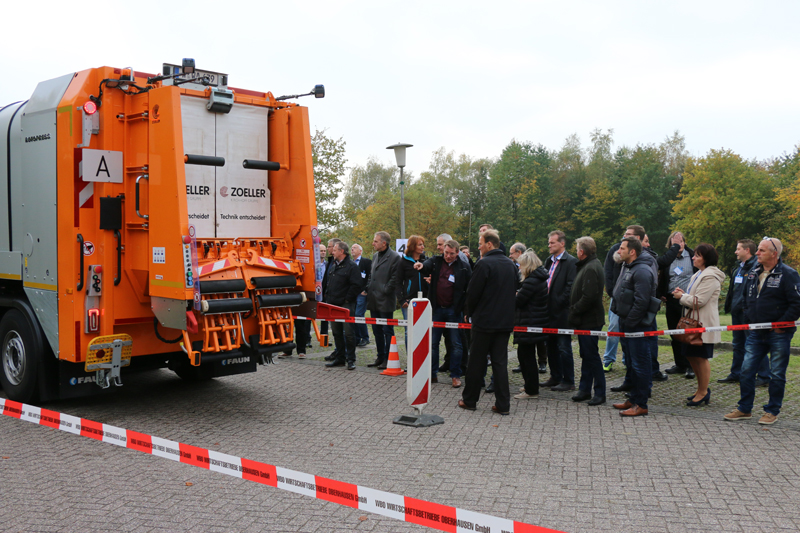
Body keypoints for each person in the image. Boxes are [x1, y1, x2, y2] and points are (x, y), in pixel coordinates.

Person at [724, 237, 800, 425]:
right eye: (757, 250)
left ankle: (772, 411)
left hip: (779, 333)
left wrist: (780, 325)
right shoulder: (752, 273)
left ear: (774, 254)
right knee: (746, 370)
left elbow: (797, 304)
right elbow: (746, 299)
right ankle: (744, 408)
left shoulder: (788, 274)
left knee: (776, 374)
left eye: (761, 250)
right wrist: (750, 319)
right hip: (756, 332)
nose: (756, 253)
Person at [458, 230, 517, 414]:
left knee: (476, 362)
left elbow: (473, 292)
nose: (478, 246)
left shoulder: (484, 264)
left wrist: (469, 312)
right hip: (505, 322)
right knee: (500, 363)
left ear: (489, 244)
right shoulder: (511, 265)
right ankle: (503, 404)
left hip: (484, 322)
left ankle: (470, 400)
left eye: (480, 243)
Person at [672, 243, 725, 406]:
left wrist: (681, 297)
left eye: (697, 255)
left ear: (706, 259)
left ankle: (703, 392)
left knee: (701, 358)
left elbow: (699, 301)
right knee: (691, 355)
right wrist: (684, 294)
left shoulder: (710, 276)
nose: (693, 257)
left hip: (702, 325)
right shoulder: (699, 274)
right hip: (694, 324)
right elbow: (695, 296)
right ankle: (700, 389)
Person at [416, 239, 471, 387]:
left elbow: (469, 290)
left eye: (451, 254)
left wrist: (466, 310)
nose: (448, 256)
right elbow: (426, 265)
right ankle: (432, 374)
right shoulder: (436, 261)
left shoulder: (464, 267)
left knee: (456, 344)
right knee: (433, 343)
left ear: (457, 253)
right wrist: (421, 266)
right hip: (437, 309)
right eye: (446, 253)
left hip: (454, 310)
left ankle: (455, 375)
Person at [611, 237, 655, 417]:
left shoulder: (642, 271)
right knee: (631, 363)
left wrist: (630, 322)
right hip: (626, 323)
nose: (618, 251)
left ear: (632, 252)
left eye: (622, 248)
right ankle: (633, 398)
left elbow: (642, 302)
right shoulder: (628, 267)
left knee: (640, 364)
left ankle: (641, 404)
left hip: (636, 327)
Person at [719, 239, 771, 386]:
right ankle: (736, 373)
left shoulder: (757, 268)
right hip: (736, 312)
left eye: (738, 249)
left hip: (749, 313)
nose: (735, 252)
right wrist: (729, 306)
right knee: (738, 344)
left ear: (747, 250)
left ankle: (763, 377)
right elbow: (733, 290)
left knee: (755, 344)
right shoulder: (738, 268)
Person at [568, 237, 606, 405]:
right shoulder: (588, 266)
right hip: (586, 319)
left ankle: (599, 392)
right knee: (586, 355)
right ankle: (584, 389)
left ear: (582, 252)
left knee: (591, 356)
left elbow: (589, 296)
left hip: (589, 320)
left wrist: (574, 310)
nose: (576, 252)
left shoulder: (591, 268)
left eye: (577, 249)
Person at [539, 230, 578, 392]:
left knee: (564, 347)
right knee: (551, 346)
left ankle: (568, 380)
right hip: (547, 312)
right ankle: (555, 377)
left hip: (562, 313)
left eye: (552, 242)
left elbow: (571, 287)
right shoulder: (549, 261)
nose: (549, 245)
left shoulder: (571, 262)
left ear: (562, 243)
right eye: (549, 242)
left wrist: (557, 302)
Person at [660, 231, 698, 380]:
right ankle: (680, 364)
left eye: (681, 241)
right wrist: (662, 292)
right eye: (675, 242)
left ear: (685, 242)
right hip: (671, 300)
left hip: (687, 300)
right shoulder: (667, 259)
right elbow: (662, 277)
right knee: (674, 333)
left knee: (688, 333)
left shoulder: (693, 256)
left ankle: (691, 366)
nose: (679, 244)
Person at [513, 250, 549, 400]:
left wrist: (515, 294)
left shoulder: (531, 281)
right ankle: (530, 384)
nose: (519, 268)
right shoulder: (538, 279)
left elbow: (519, 301)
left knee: (526, 357)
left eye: (520, 265)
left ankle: (531, 389)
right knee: (526, 356)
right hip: (534, 321)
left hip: (529, 323)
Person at [323, 242, 363, 370]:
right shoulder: (334, 265)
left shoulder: (351, 266)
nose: (332, 252)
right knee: (336, 332)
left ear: (341, 251)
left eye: (334, 250)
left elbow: (356, 285)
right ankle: (340, 358)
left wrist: (347, 299)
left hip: (345, 305)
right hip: (333, 305)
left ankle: (351, 359)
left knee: (349, 333)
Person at [366, 231, 401, 370]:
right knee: (376, 330)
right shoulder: (375, 256)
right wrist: (369, 287)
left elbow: (395, 278)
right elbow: (371, 275)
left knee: (387, 330)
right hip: (373, 299)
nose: (373, 243)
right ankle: (380, 356)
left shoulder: (395, 257)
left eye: (375, 241)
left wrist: (385, 289)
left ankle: (388, 358)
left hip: (385, 300)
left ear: (383, 243)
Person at [398, 235, 428, 352]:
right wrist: (401, 300)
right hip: (409, 301)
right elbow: (398, 282)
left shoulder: (426, 261)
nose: (423, 247)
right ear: (413, 246)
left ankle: (422, 358)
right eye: (420, 244)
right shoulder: (403, 262)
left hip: (425, 300)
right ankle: (411, 360)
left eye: (423, 244)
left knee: (423, 330)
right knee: (409, 331)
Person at [351, 244, 372, 347]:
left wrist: (366, 290)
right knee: (354, 315)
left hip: (362, 294)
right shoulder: (350, 263)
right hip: (353, 294)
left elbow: (370, 276)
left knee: (359, 315)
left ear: (360, 251)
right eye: (351, 248)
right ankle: (357, 338)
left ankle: (365, 337)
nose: (352, 249)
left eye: (354, 248)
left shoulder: (366, 262)